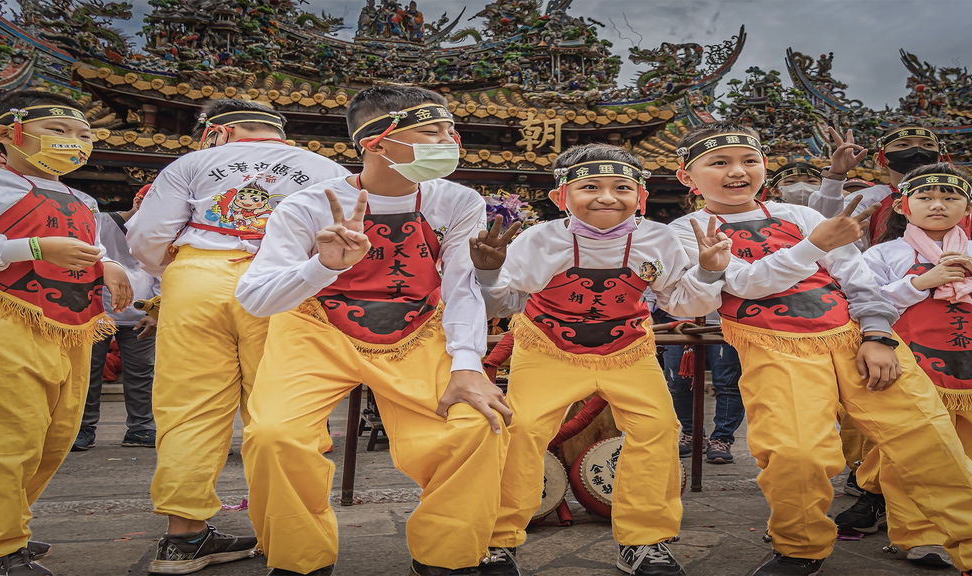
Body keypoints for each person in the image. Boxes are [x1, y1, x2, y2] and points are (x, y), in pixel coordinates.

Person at [668, 121, 972, 576]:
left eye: (749, 160)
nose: (738, 171)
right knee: (796, 452)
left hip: (855, 339)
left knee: (930, 441)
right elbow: (748, 286)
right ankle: (800, 546)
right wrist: (813, 247)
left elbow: (856, 278)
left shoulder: (802, 216)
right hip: (777, 349)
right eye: (719, 163)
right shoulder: (686, 230)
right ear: (687, 177)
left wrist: (876, 335)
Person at [236, 85, 509, 576]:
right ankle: (300, 561)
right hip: (315, 329)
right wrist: (322, 266)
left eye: (451, 130)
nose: (450, 141)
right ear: (376, 142)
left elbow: (461, 288)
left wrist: (468, 367)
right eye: (431, 132)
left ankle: (447, 557)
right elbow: (256, 298)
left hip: (418, 330)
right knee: (276, 436)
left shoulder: (459, 200)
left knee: (474, 425)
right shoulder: (305, 207)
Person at [473, 143, 732, 576]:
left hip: (628, 350)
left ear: (641, 196)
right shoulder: (540, 239)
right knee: (521, 431)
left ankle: (644, 541)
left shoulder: (658, 238)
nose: (607, 197)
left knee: (658, 429)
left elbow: (681, 302)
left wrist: (707, 271)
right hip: (547, 347)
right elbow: (504, 303)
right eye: (590, 186)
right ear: (562, 196)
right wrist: (488, 273)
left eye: (622, 187)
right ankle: (498, 541)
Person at [126, 99, 350, 575]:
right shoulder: (326, 169)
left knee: (187, 407)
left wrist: (174, 266)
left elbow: (146, 236)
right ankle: (285, 536)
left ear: (217, 131)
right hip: (283, 284)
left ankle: (183, 539)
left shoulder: (191, 162)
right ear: (277, 131)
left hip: (196, 281)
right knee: (282, 411)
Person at [0, 90, 132, 576]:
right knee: (8, 436)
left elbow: (88, 248)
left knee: (55, 435)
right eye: (59, 131)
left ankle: (9, 527)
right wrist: (30, 247)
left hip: (72, 326)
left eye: (84, 135)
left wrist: (109, 265)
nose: (74, 142)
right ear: (8, 134)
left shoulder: (82, 199)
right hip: (5, 320)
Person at [858, 163, 972, 568]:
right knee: (914, 452)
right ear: (904, 206)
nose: (938, 205)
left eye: (950, 197)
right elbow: (867, 306)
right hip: (913, 368)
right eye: (926, 197)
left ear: (968, 207)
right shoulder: (883, 254)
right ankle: (918, 534)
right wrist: (921, 282)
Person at [808, 125, 972, 250]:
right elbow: (826, 230)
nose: (917, 151)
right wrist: (835, 177)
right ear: (881, 157)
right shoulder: (870, 198)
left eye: (927, 145)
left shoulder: (971, 198)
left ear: (940, 156)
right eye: (903, 145)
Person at [73, 185, 161, 451]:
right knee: (87, 372)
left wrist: (156, 310)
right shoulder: (98, 221)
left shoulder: (161, 232)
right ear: (138, 201)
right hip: (97, 309)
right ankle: (82, 427)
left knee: (143, 373)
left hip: (140, 311)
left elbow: (163, 272)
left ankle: (141, 428)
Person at [662, 312, 744, 465]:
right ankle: (691, 433)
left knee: (728, 383)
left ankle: (722, 438)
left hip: (725, 317)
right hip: (677, 318)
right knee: (678, 382)